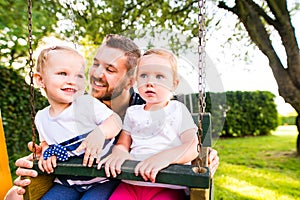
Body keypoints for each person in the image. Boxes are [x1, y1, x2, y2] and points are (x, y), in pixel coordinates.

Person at [5, 34, 219, 200]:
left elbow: (186, 142)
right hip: (91, 184)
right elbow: (55, 141)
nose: (97, 74)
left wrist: (203, 156)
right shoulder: (74, 103)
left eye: (109, 69)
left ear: (130, 80)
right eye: (96, 64)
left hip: (139, 184)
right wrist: (43, 156)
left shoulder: (146, 106)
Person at [98, 48, 198, 200]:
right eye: (144, 75)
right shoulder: (133, 112)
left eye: (159, 76)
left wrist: (165, 158)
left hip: (167, 184)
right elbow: (123, 143)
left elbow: (192, 145)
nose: (150, 82)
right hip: (131, 182)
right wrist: (120, 153)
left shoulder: (177, 109)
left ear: (173, 84)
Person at [31, 45, 122, 199]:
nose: (72, 81)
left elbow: (116, 121)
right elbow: (45, 142)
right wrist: (47, 153)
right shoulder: (41, 117)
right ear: (40, 80)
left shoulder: (85, 104)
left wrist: (100, 132)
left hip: (101, 177)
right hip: (67, 181)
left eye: (79, 76)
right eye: (62, 73)